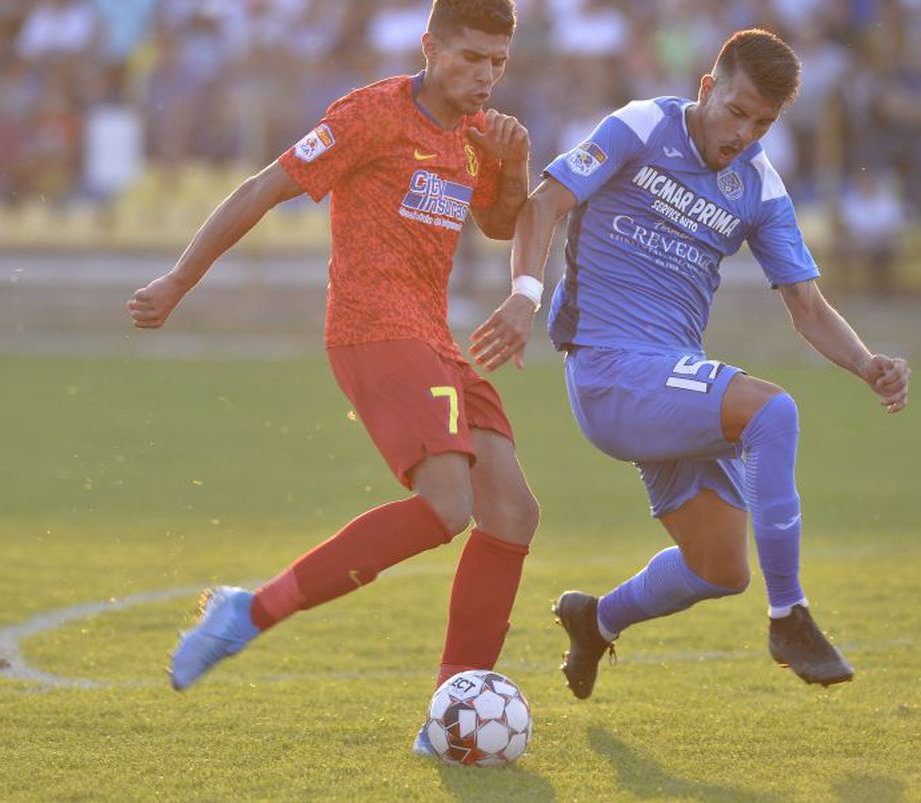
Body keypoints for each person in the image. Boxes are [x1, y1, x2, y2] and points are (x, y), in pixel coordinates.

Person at [127, 0, 539, 752]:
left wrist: (512, 167)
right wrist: (179, 281)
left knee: (511, 511)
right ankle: (247, 612)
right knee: (448, 505)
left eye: (498, 63)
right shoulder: (372, 115)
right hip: (371, 329)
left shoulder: (480, 135)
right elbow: (263, 187)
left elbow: (502, 224)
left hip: (433, 338)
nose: (485, 77)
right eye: (471, 58)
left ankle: (447, 718)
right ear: (430, 46)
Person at [469, 29, 911, 696]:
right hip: (610, 370)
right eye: (736, 111)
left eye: (762, 122)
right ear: (707, 88)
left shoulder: (758, 184)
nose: (743, 133)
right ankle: (789, 615)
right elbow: (546, 202)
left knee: (719, 566)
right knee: (773, 410)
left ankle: (596, 619)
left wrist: (866, 362)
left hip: (669, 379)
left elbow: (808, 307)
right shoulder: (643, 125)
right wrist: (525, 297)